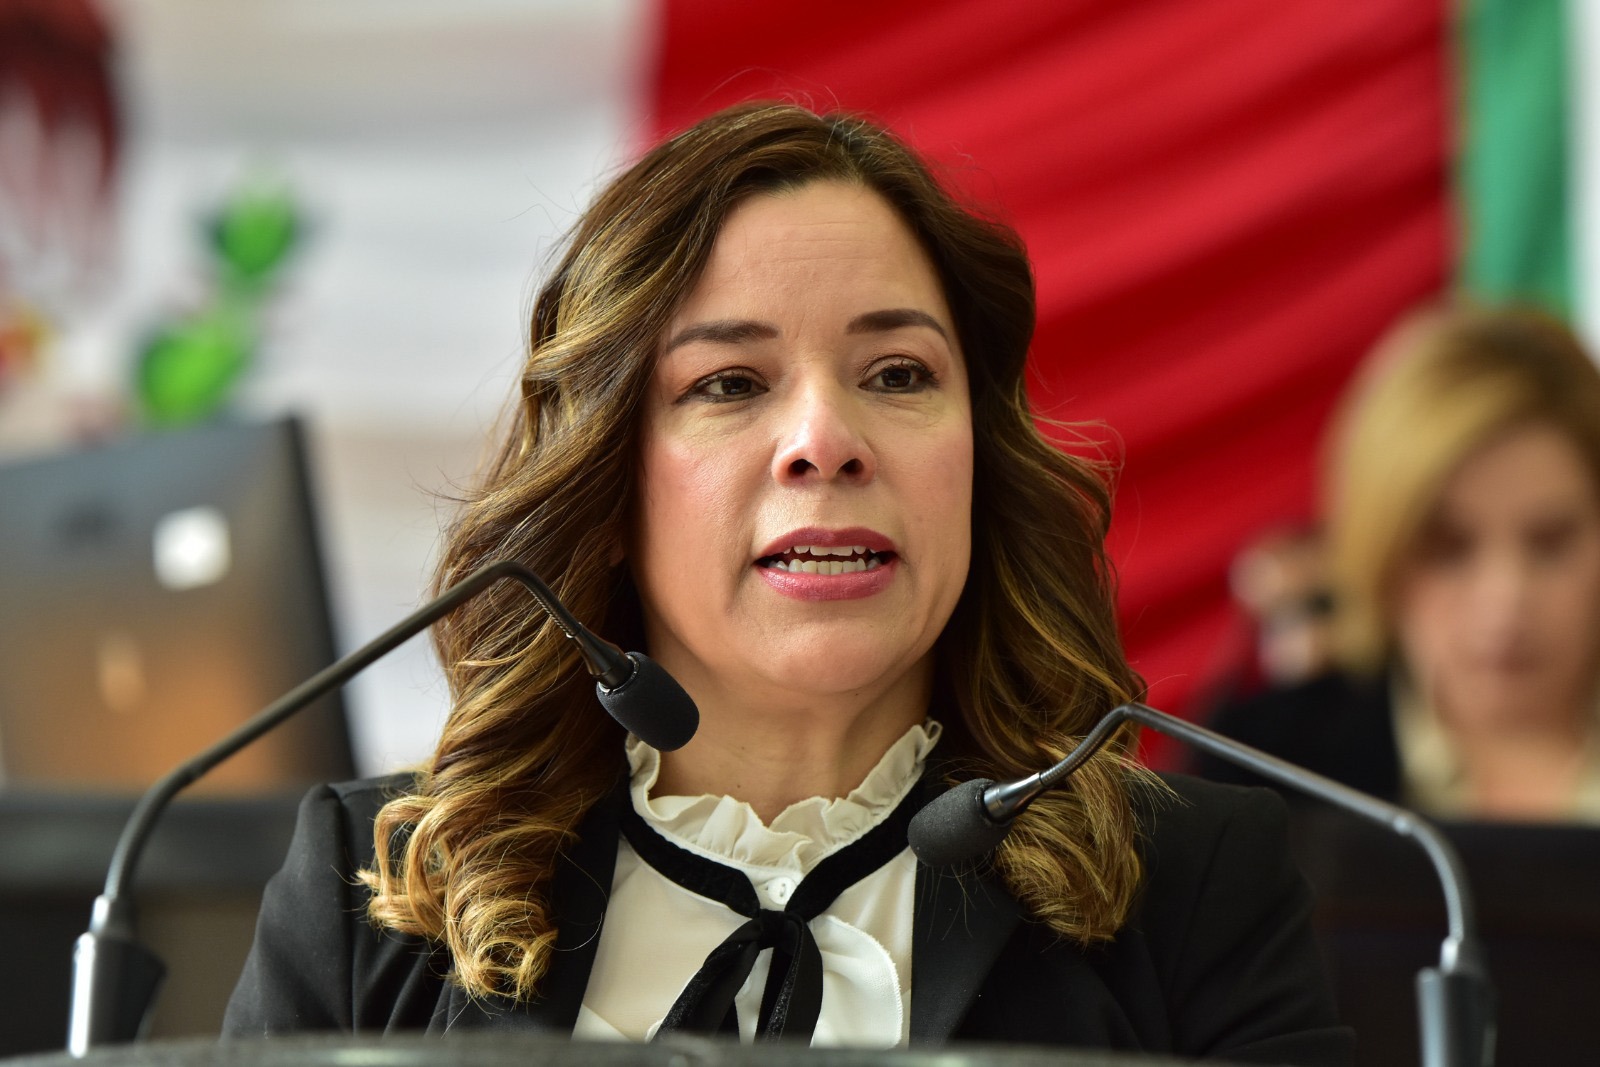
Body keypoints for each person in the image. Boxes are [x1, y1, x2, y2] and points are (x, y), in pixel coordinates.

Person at [223, 102, 1350, 1063]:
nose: (826, 440)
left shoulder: (1191, 887)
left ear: (977, 461)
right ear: (608, 490)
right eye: (730, 382)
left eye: (896, 373)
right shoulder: (373, 889)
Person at [1197, 301, 1600, 823]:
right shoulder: (1257, 770)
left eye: (1551, 543)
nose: (1505, 599)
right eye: (1449, 549)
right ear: (1380, 550)